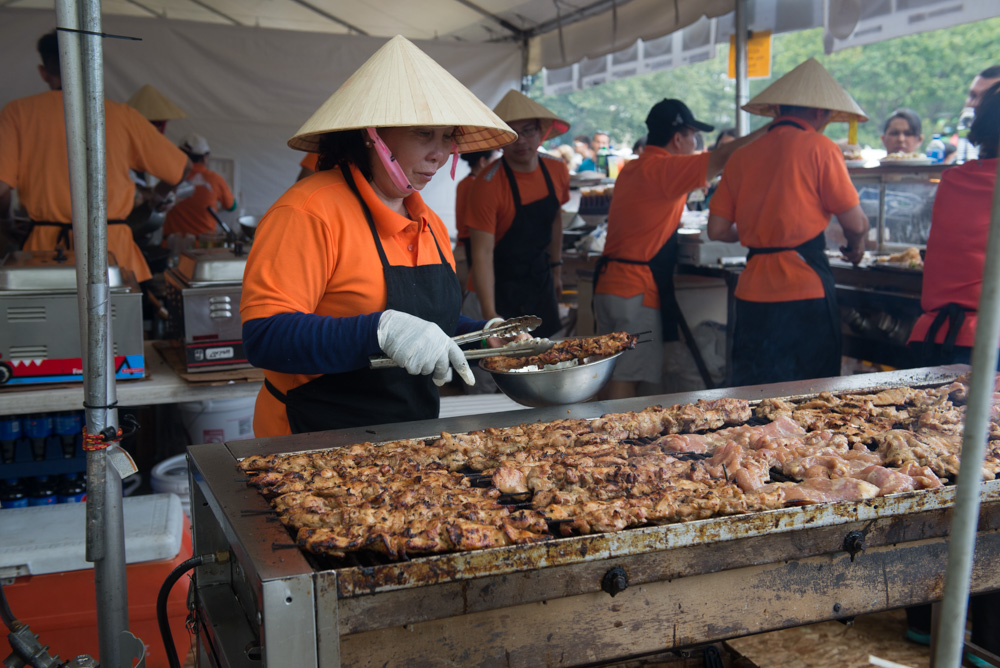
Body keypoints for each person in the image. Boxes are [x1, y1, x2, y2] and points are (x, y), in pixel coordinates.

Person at [240, 35, 515, 437]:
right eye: (424, 134)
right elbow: (264, 337)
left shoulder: (430, 224)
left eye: (447, 137)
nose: (439, 153)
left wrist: (480, 335)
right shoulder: (308, 211)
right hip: (310, 442)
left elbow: (425, 325)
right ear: (374, 135)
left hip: (407, 440)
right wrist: (377, 332)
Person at [903, 85, 1000, 666]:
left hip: (929, 345)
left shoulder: (957, 179)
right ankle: (984, 636)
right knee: (989, 495)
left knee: (927, 481)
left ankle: (921, 619)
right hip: (985, 354)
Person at [707, 58, 870, 386]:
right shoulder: (821, 148)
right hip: (803, 287)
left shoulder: (741, 156)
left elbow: (717, 230)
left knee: (754, 394)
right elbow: (856, 223)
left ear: (778, 109)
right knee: (811, 394)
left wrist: (761, 232)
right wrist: (857, 248)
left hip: (752, 290)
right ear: (822, 113)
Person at [593, 99, 767, 399]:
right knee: (628, 377)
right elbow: (723, 155)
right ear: (678, 138)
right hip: (635, 292)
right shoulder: (664, 168)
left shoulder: (634, 168)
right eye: (694, 138)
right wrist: (772, 127)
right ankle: (610, 443)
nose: (696, 145)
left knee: (610, 375)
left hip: (609, 286)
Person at [0, 31, 191, 286]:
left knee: (51, 325)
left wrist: (6, 220)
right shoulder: (122, 115)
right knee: (117, 323)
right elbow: (181, 168)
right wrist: (157, 197)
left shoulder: (17, 113)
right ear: (89, 66)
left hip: (45, 256)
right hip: (114, 254)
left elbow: (1, 188)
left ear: (44, 72)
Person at [463, 89, 571, 340]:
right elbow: (482, 253)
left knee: (548, 365)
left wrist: (556, 270)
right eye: (512, 134)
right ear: (501, 139)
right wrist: (491, 315)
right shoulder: (487, 184)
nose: (521, 140)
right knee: (496, 374)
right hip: (494, 288)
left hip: (538, 281)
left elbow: (555, 219)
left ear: (541, 131)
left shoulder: (557, 169)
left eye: (528, 131)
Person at [161, 134, 238, 240]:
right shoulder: (214, 179)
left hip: (170, 244)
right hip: (203, 246)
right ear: (204, 158)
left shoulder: (170, 176)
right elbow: (231, 206)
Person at [455, 149, 498, 272]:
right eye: (494, 161)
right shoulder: (477, 186)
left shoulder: (464, 183)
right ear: (482, 162)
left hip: (463, 249)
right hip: (471, 250)